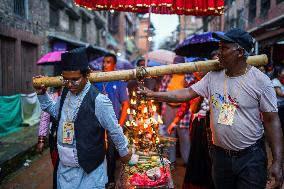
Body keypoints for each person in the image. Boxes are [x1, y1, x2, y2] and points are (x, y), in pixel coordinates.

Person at [138, 28, 284, 189]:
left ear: (240, 52)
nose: (218, 53)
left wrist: (277, 162)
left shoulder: (260, 81)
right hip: (220, 156)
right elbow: (187, 93)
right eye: (219, 47)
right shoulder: (213, 76)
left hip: (250, 158)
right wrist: (154, 94)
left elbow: (272, 121)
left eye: (224, 48)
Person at [34, 47, 132, 189]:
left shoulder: (99, 101)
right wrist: (42, 94)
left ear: (87, 75)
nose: (70, 84)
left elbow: (115, 130)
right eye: (66, 79)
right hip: (64, 171)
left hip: (90, 174)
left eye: (75, 79)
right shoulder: (65, 93)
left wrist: (124, 153)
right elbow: (55, 112)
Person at [93, 53, 129, 188]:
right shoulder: (97, 79)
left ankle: (110, 179)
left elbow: (125, 104)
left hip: (113, 124)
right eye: (104, 62)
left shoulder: (119, 81)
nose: (105, 64)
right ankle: (97, 179)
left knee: (111, 153)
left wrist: (119, 125)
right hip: (97, 123)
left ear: (114, 65)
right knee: (98, 151)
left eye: (108, 62)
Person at [37, 86, 62, 189]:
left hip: (72, 140)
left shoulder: (75, 97)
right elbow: (44, 119)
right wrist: (41, 139)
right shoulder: (51, 98)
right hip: (55, 138)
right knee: (57, 166)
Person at [272, 64, 284, 136]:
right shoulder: (275, 82)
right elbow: (279, 93)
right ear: (279, 73)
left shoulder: (279, 81)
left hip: (281, 105)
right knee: (280, 121)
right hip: (279, 106)